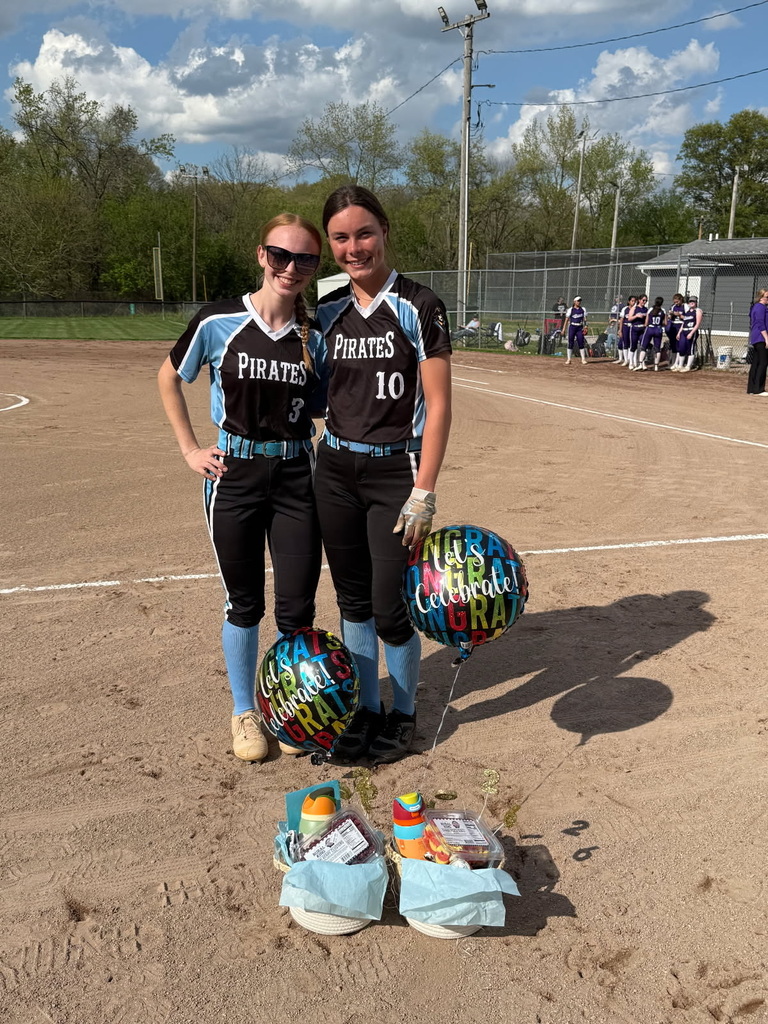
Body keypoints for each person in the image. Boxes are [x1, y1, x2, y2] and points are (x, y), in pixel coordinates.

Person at [157, 214, 327, 763]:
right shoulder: (219, 321)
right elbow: (168, 376)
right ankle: (244, 711)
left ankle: (291, 706)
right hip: (234, 476)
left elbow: (327, 406)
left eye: (305, 259)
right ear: (261, 255)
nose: (291, 268)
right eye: (281, 255)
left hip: (297, 476)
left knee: (297, 606)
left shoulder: (314, 334)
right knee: (244, 601)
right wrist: (189, 449)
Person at [314, 185, 452, 764]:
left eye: (364, 233)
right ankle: (367, 708)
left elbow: (439, 406)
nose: (354, 248)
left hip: (396, 470)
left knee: (390, 604)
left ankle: (403, 713)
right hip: (334, 469)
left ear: (385, 231)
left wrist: (424, 490)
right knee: (352, 600)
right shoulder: (325, 310)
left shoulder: (419, 304)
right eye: (341, 238)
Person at [671, 296, 702, 372]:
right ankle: (680, 365)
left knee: (690, 349)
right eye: (690, 301)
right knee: (681, 348)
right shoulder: (688, 311)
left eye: (693, 301)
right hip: (684, 331)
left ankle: (688, 366)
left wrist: (691, 333)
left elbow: (697, 324)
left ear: (696, 303)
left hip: (691, 331)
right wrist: (679, 333)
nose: (692, 303)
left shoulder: (698, 311)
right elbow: (684, 323)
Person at [747, 288, 768, 395]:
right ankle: (758, 389)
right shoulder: (760, 307)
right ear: (761, 297)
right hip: (761, 337)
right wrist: (766, 338)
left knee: (756, 362)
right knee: (763, 362)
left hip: (757, 337)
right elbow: (760, 323)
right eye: (767, 297)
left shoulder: (757, 307)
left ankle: (751, 388)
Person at [636, 296, 666, 372]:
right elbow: (665, 323)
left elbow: (646, 323)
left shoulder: (650, 309)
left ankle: (640, 364)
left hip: (650, 328)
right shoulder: (663, 310)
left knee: (644, 346)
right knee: (657, 348)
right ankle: (656, 366)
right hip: (658, 329)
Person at [562, 296, 588, 365]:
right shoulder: (571, 310)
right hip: (572, 327)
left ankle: (583, 359)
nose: (579, 302)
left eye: (580, 301)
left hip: (579, 327)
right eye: (578, 301)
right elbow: (566, 320)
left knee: (581, 342)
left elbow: (585, 319)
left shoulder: (583, 309)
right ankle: (569, 359)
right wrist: (564, 329)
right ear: (574, 302)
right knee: (570, 342)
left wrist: (586, 326)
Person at [626, 294, 648, 370]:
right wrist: (636, 316)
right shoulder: (634, 308)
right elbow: (629, 318)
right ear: (639, 300)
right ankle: (631, 363)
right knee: (633, 346)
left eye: (646, 300)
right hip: (634, 329)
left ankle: (642, 363)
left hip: (642, 329)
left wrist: (645, 324)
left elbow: (647, 319)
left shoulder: (646, 309)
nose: (644, 302)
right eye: (643, 300)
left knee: (643, 346)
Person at [665, 293, 686, 368]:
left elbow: (686, 318)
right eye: (675, 302)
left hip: (680, 325)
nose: (676, 303)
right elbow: (669, 317)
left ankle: (679, 363)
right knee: (673, 344)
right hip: (673, 325)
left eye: (677, 302)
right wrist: (671, 315)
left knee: (679, 344)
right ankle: (673, 362)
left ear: (681, 300)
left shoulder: (684, 306)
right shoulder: (673, 306)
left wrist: (679, 315)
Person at [614, 295, 635, 365]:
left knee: (631, 344)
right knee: (623, 343)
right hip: (625, 327)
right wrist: (620, 330)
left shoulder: (636, 309)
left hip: (632, 327)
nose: (633, 302)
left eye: (634, 301)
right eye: (632, 301)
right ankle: (624, 360)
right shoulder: (625, 309)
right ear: (629, 301)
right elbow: (621, 320)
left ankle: (629, 360)